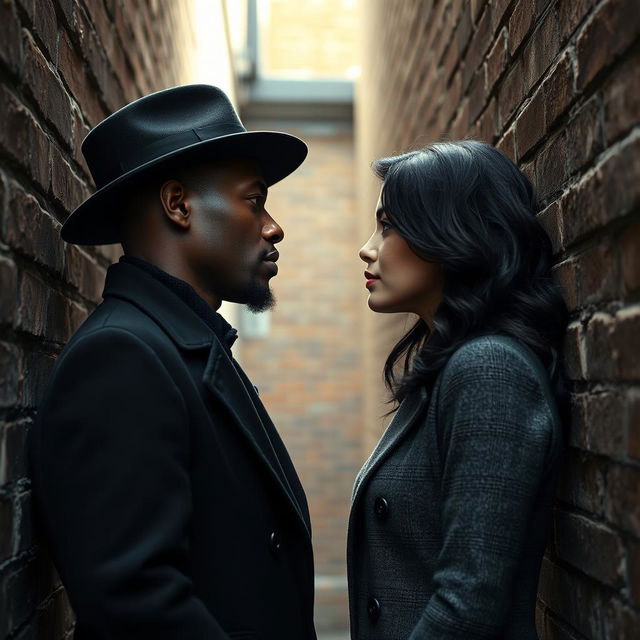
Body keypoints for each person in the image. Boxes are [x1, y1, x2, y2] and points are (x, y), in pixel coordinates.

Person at [29, 84, 316, 639]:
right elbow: (137, 606)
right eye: (254, 200)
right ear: (179, 205)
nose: (273, 226)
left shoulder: (180, 346)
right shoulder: (123, 359)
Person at [347, 140, 568, 639]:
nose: (368, 248)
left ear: (452, 230)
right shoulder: (449, 367)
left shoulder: (489, 370)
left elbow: (470, 601)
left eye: (388, 225)